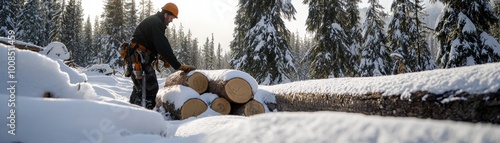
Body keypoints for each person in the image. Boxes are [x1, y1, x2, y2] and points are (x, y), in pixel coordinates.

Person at [129, 2, 196, 109]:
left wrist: (162, 56)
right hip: (140, 58)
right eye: (171, 18)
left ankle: (133, 113)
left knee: (140, 88)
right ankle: (146, 116)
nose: (171, 21)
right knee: (150, 89)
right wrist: (177, 65)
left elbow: (152, 43)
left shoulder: (154, 21)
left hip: (137, 58)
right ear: (165, 14)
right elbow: (162, 45)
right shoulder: (157, 23)